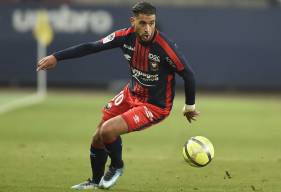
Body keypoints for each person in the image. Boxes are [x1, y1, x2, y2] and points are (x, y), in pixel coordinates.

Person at [37, 1, 199, 190]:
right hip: (131, 93)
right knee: (98, 136)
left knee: (108, 131)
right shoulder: (124, 37)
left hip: (154, 106)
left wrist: (190, 107)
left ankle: (117, 166)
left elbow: (188, 74)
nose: (148, 29)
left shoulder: (165, 48)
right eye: (143, 23)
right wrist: (57, 57)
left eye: (152, 23)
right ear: (133, 21)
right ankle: (95, 181)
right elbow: (92, 46)